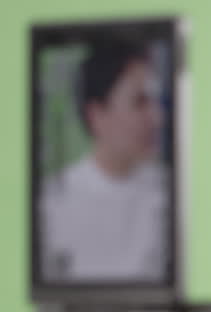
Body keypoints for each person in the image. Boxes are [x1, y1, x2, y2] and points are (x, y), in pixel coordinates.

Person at [40, 36, 168, 284]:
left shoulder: (167, 192)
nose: (155, 117)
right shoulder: (52, 203)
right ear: (97, 114)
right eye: (139, 102)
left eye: (154, 101)